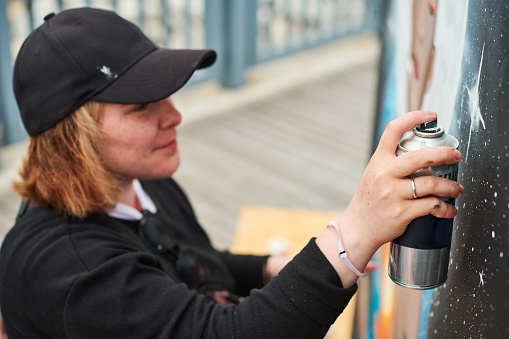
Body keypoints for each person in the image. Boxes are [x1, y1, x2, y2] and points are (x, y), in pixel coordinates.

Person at [0, 7, 463, 339]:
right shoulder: (65, 270)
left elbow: (192, 258)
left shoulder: (140, 180)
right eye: (143, 107)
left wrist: (266, 268)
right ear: (73, 136)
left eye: (167, 92)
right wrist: (354, 233)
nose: (174, 116)